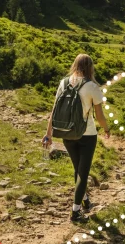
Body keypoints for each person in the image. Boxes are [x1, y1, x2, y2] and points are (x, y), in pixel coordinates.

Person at [43, 54, 111, 223]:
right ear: (90, 67)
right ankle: (75, 212)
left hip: (67, 133)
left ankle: (85, 200)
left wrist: (48, 134)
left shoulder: (64, 83)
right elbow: (100, 116)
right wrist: (106, 128)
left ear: (75, 64)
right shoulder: (92, 86)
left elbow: (54, 110)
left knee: (77, 169)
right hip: (86, 135)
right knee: (83, 171)